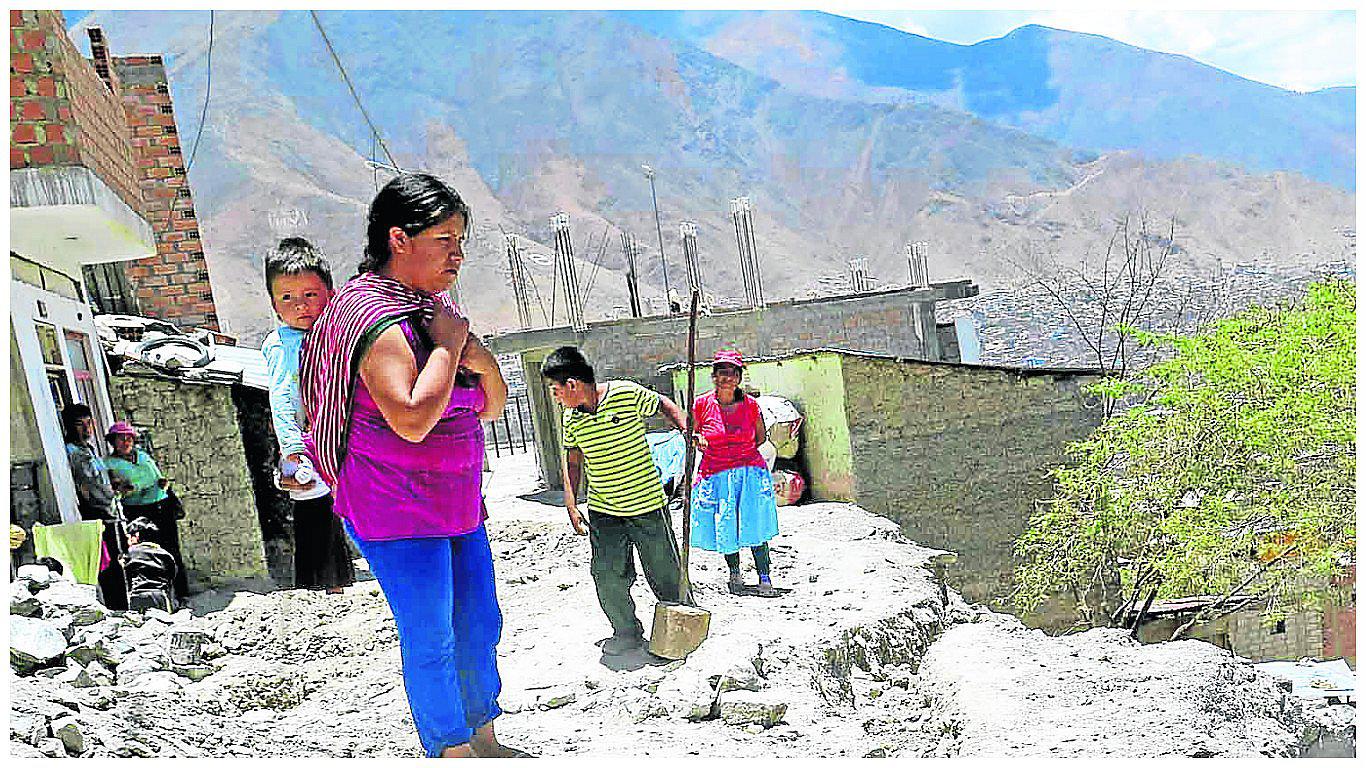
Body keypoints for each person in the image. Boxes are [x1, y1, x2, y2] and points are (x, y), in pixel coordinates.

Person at [300, 173, 525, 759]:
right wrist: (452, 349)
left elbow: (494, 402)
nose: (458, 253)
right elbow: (411, 418)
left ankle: (483, 733)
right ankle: (450, 749)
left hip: (455, 502)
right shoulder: (373, 315)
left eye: (461, 240)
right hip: (395, 507)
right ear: (400, 238)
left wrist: (477, 359)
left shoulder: (433, 310)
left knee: (479, 622)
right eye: (445, 238)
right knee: (431, 636)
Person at [540, 346, 689, 659]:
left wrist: (685, 429)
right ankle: (626, 632)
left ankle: (679, 627)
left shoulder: (625, 393)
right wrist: (571, 503)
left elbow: (662, 403)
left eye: (555, 390)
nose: (555, 397)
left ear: (572, 385)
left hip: (648, 505)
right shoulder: (571, 420)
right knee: (607, 574)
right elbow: (574, 461)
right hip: (605, 511)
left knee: (665, 572)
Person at [262, 237, 355, 595]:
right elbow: (282, 398)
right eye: (287, 298)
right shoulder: (283, 343)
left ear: (329, 293)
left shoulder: (335, 334)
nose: (300, 305)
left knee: (333, 513)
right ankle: (320, 591)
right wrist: (291, 451)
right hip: (304, 444)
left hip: (336, 440)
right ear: (274, 304)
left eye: (310, 295)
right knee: (313, 513)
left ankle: (335, 585)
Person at [690, 350, 780, 596]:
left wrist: (739, 453)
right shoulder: (701, 404)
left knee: (755, 525)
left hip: (749, 472)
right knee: (726, 524)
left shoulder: (751, 406)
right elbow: (691, 433)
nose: (727, 378)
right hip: (716, 474)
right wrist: (698, 440)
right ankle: (735, 575)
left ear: (739, 378)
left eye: (732, 373)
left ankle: (764, 578)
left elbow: (760, 438)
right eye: (722, 372)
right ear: (714, 376)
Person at [103, 421, 189, 603]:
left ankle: (181, 593)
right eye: (120, 439)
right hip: (138, 512)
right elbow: (124, 487)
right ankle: (156, 595)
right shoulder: (110, 464)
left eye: (129, 438)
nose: (125, 442)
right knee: (148, 553)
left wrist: (160, 483)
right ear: (113, 442)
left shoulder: (142, 456)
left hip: (162, 506)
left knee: (172, 550)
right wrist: (134, 486)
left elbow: (157, 478)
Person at [62, 403, 127, 609]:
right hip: (95, 514)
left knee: (117, 562)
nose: (86, 428)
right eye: (80, 424)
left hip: (109, 511)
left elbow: (99, 479)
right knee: (107, 566)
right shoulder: (72, 452)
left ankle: (122, 606)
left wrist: (113, 483)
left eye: (88, 423)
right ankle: (115, 608)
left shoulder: (88, 449)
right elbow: (86, 485)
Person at [122, 518, 178, 613]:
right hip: (159, 596)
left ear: (136, 535)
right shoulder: (166, 555)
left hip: (136, 595)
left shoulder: (130, 553)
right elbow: (172, 577)